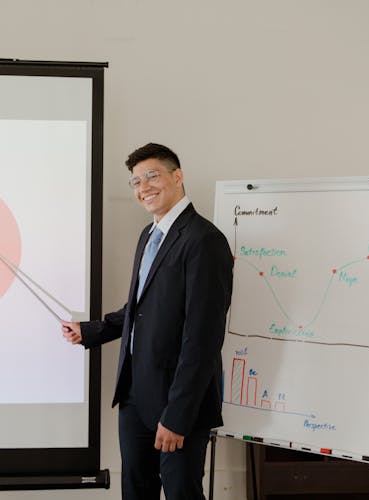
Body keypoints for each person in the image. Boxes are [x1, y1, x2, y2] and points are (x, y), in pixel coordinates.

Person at [62, 143, 233, 500]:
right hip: (135, 396)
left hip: (176, 402)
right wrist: (90, 330)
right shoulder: (149, 235)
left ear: (178, 176)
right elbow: (140, 308)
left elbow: (202, 338)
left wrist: (178, 415)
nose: (144, 188)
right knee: (135, 490)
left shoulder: (204, 240)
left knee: (181, 493)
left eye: (152, 176)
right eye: (136, 182)